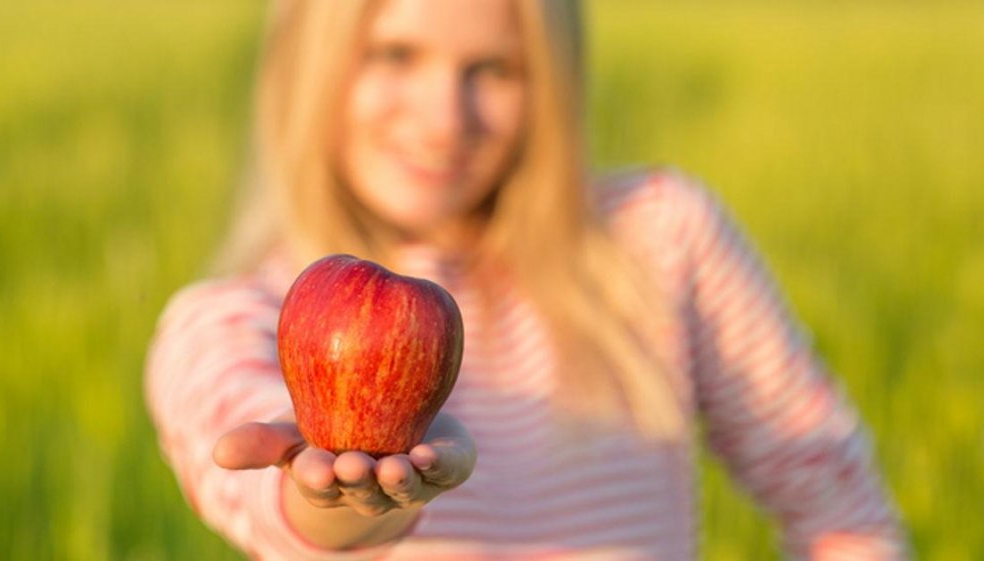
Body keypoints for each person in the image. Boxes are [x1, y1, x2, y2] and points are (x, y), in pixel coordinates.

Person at [145, 0, 908, 559]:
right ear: (307, 67)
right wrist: (346, 499)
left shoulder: (659, 237)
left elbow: (835, 496)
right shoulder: (226, 320)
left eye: (495, 69)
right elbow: (271, 501)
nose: (446, 116)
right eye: (395, 55)